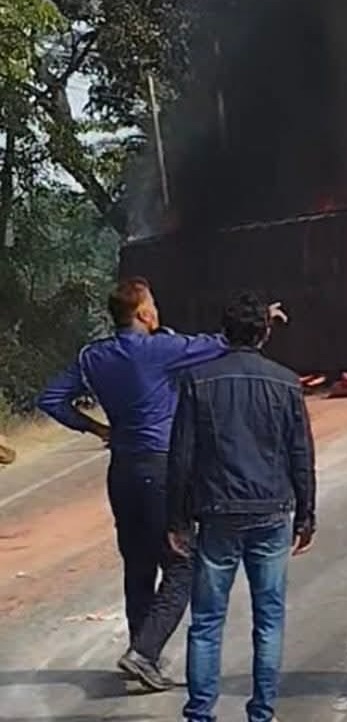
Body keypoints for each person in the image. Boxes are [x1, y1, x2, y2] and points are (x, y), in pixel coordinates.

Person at [37, 278, 284, 691]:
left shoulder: (92, 356)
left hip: (122, 470)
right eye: (153, 304)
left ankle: (141, 653)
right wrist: (264, 316)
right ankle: (144, 652)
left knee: (137, 564)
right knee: (182, 563)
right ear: (144, 314)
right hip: (162, 467)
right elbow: (221, 343)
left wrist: (98, 428)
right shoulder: (160, 349)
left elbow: (51, 399)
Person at [166, 292, 316, 722]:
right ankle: (262, 714)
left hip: (216, 513)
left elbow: (182, 457)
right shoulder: (286, 382)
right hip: (272, 512)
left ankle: (199, 714)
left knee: (207, 621)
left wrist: (176, 520)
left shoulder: (197, 381)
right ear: (265, 333)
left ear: (225, 333)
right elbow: (300, 453)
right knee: (268, 619)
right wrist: (306, 513)